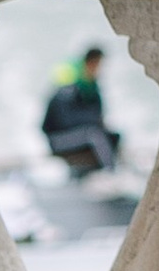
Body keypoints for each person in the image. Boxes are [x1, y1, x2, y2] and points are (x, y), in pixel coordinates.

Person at [40, 45, 119, 176]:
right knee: (94, 135)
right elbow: (65, 121)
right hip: (58, 139)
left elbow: (98, 113)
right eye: (97, 65)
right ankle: (109, 174)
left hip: (78, 134)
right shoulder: (68, 87)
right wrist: (94, 121)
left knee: (113, 136)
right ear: (89, 63)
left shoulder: (91, 87)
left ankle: (95, 171)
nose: (99, 70)